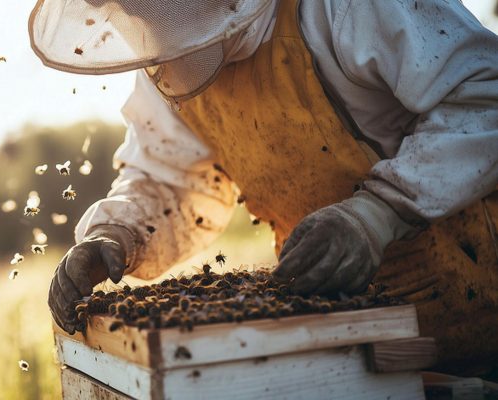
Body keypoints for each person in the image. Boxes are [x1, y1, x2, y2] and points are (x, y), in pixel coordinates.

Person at [31, 0, 498, 375]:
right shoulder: (167, 60)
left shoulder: (345, 9)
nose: (141, 20)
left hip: (475, 293)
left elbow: (484, 98)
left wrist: (379, 214)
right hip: (329, 323)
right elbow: (170, 178)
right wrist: (117, 233)